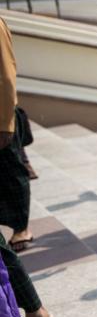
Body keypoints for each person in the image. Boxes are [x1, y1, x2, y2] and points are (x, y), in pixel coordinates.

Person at [0, 16, 32, 253]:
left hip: (1, 118)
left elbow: (6, 75)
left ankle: (22, 227)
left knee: (13, 173)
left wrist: (6, 122)